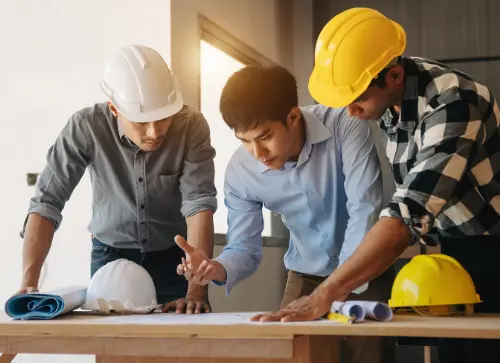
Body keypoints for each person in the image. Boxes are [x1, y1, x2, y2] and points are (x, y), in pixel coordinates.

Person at [251, 7, 500, 363]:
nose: (350, 112)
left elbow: (406, 215)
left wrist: (329, 291)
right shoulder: (387, 96)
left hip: (492, 245)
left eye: (358, 99)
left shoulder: (455, 103)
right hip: (452, 246)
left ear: (395, 75)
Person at [175, 64, 395, 363]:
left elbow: (364, 209)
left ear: (293, 117)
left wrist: (335, 288)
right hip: (304, 275)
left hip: (365, 272)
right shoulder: (241, 171)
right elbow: (244, 249)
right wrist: (216, 267)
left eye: (265, 136)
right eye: (245, 140)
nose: (258, 153)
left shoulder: (345, 123)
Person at [15, 44, 217, 314]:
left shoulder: (191, 126)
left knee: (179, 349)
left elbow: (198, 203)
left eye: (163, 118)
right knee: (114, 349)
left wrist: (196, 290)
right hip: (110, 257)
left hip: (176, 259)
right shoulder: (86, 127)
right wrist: (29, 283)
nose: (155, 131)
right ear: (114, 108)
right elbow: (47, 203)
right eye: (141, 121)